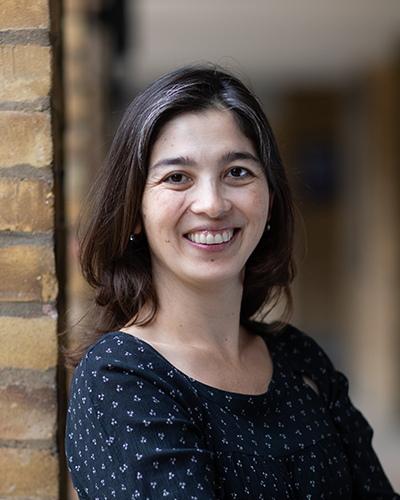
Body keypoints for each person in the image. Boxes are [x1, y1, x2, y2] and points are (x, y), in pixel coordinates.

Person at [65, 64, 398, 499]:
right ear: (134, 211)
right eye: (177, 177)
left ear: (270, 200)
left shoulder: (299, 358)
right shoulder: (121, 378)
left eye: (237, 172)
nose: (212, 204)